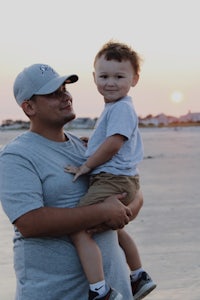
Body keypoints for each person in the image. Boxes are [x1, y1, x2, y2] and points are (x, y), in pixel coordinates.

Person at [0, 63, 144, 300]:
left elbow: (132, 192)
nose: (65, 97)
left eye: (65, 89)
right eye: (53, 94)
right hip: (56, 293)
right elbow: (29, 222)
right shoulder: (16, 156)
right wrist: (103, 211)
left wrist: (119, 209)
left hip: (118, 293)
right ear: (29, 107)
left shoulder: (87, 148)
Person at [65, 41, 156, 300]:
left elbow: (114, 143)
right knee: (112, 230)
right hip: (122, 180)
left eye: (119, 76)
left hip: (112, 180)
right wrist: (91, 143)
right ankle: (138, 276)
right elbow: (106, 139)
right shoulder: (114, 108)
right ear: (94, 78)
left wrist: (87, 165)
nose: (110, 82)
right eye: (104, 76)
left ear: (134, 79)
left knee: (79, 227)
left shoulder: (123, 108)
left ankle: (100, 291)